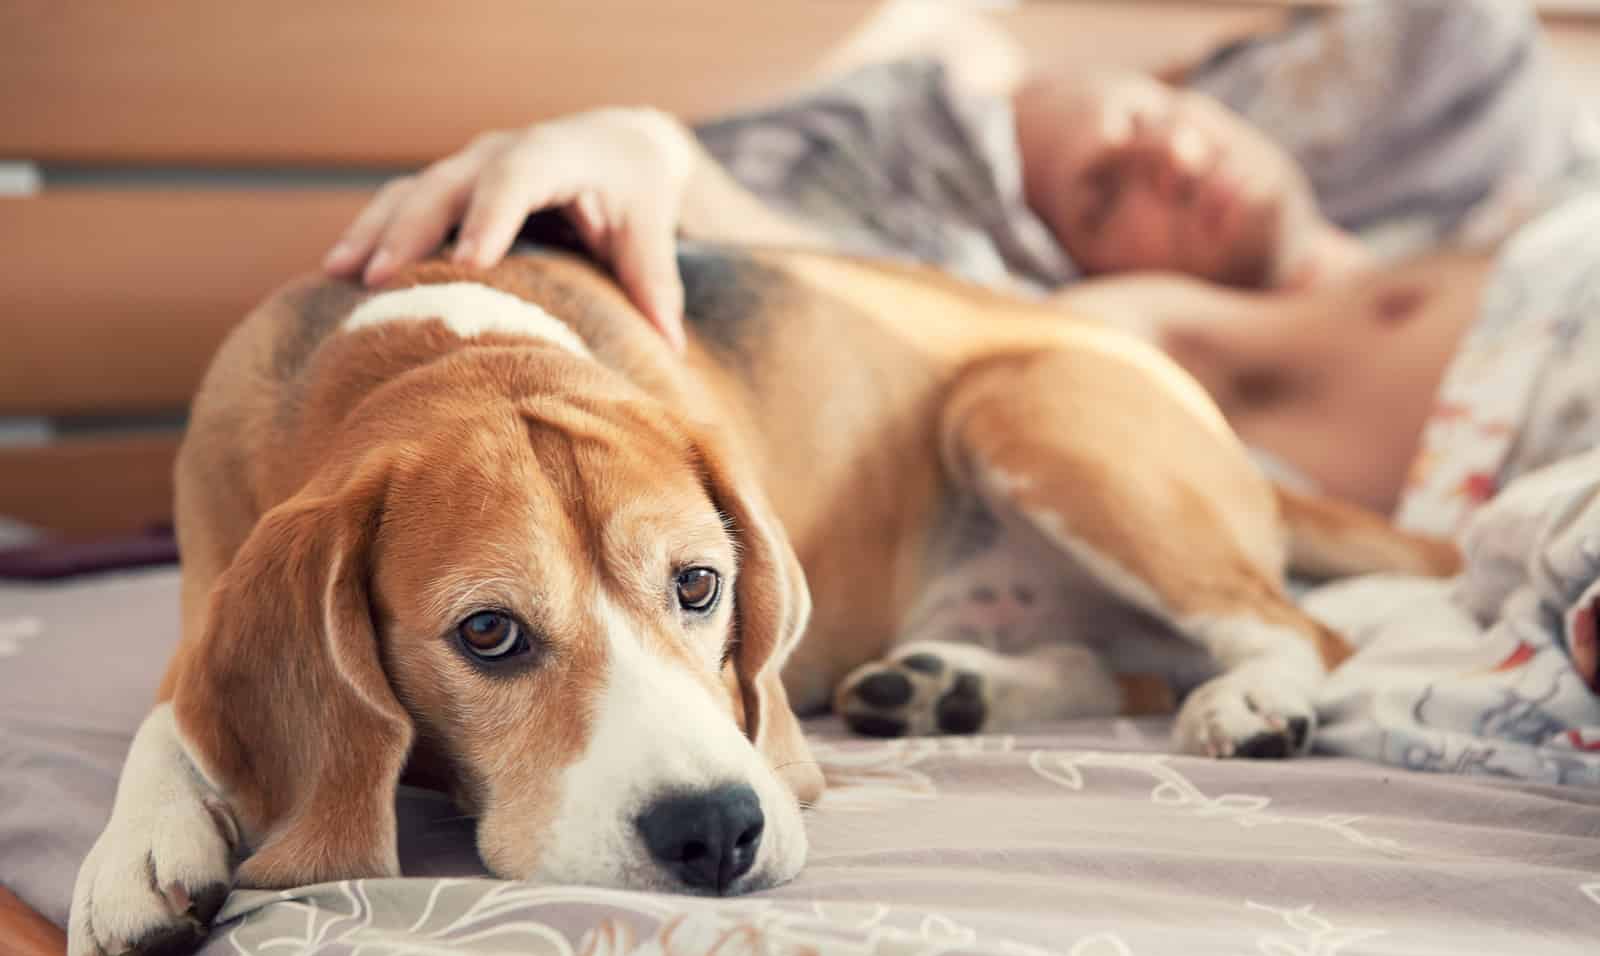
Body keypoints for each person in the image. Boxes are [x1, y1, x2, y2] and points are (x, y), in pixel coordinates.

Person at [322, 0, 1594, 531]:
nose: (1161, 162)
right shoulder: (1128, 335)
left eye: (1140, 124)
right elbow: (903, 315)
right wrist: (641, 148)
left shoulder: (1470, 157)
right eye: (1103, 194)